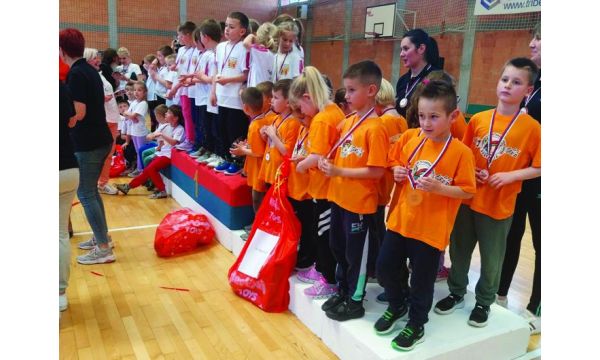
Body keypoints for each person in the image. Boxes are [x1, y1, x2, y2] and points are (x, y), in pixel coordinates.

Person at [434, 57, 541, 328]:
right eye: (504, 79)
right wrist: (474, 172)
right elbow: (465, 154)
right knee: (459, 251)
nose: (507, 86)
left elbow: (541, 166)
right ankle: (457, 292)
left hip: (499, 206)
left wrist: (510, 176)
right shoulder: (479, 119)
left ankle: (484, 301)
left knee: (493, 259)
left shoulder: (533, 128)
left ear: (528, 90)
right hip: (468, 199)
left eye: (516, 82)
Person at [375, 80, 476, 351]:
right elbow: (394, 160)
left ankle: (417, 323)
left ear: (453, 116)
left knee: (422, 282)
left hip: (430, 231)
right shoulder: (410, 138)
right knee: (384, 267)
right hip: (399, 221)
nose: (426, 123)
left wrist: (442, 188)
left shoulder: (461, 153)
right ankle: (397, 305)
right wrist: (395, 170)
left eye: (434, 117)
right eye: (421, 116)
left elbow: (467, 192)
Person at [316, 60, 388, 321]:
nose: (346, 96)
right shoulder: (348, 123)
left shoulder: (376, 128)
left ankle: (355, 300)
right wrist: (329, 164)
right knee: (338, 248)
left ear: (370, 90)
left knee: (355, 256)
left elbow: (376, 171)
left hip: (359, 205)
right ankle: (344, 291)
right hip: (339, 199)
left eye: (351, 90)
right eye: (346, 90)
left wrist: (339, 172)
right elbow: (342, 158)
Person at [496, 23, 542, 335]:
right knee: (510, 237)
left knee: (543, 244)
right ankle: (499, 296)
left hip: (540, 178)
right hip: (518, 180)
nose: (534, 43)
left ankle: (536, 307)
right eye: (535, 37)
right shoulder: (532, 85)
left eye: (542, 39)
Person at [59, 28, 115, 265]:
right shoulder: (89, 71)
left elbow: (78, 113)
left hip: (89, 142)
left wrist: (64, 120)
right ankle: (102, 238)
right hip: (98, 138)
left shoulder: (77, 74)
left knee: (86, 193)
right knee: (91, 192)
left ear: (62, 51)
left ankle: (103, 248)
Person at [290, 66, 344, 299]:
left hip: (325, 188)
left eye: (301, 107)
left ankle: (329, 279)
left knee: (324, 236)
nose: (302, 112)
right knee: (325, 235)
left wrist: (301, 165)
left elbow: (318, 156)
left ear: (307, 97)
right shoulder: (333, 112)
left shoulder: (322, 119)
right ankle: (325, 272)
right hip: (329, 185)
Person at [115, 105, 185, 199]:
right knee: (148, 169)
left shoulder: (180, 129)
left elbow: (173, 142)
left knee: (150, 168)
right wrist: (155, 136)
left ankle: (161, 190)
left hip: (169, 155)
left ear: (175, 118)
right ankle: (129, 186)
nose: (166, 114)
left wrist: (161, 135)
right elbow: (150, 136)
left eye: (168, 113)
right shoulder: (165, 126)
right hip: (162, 153)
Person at [211, 12, 250, 175]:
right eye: (226, 25)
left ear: (242, 31)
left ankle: (238, 161)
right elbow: (216, 71)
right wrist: (213, 92)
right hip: (221, 97)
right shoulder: (220, 47)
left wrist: (228, 80)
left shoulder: (245, 49)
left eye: (231, 27)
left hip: (236, 99)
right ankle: (227, 158)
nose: (227, 29)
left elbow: (246, 75)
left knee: (235, 131)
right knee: (222, 130)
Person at [83, 48, 121, 196]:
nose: (98, 60)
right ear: (87, 60)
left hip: (112, 118)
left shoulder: (99, 75)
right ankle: (98, 183)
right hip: (103, 119)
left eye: (98, 57)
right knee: (102, 154)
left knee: (108, 153)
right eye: (94, 58)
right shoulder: (88, 77)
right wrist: (100, 98)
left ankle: (101, 182)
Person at [230, 87, 270, 215]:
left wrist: (242, 150)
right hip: (260, 168)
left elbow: (258, 152)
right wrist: (246, 146)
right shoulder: (264, 119)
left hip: (258, 170)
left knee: (257, 199)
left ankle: (258, 226)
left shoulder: (255, 125)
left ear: (246, 108)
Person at [258, 79, 301, 185]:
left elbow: (288, 152)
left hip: (281, 174)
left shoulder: (293, 123)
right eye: (272, 96)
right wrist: (265, 135)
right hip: (270, 169)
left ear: (288, 102)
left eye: (276, 97)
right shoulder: (276, 118)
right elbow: (271, 144)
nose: (271, 100)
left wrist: (273, 135)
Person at [59, 81, 79, 311]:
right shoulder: (62, 86)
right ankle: (60, 293)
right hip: (68, 167)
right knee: (60, 234)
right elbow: (73, 119)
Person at [193, 19, 223, 167]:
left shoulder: (214, 54)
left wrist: (201, 77)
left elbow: (214, 78)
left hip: (212, 96)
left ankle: (216, 152)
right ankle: (209, 150)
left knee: (215, 128)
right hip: (207, 96)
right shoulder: (209, 53)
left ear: (205, 37)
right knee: (206, 126)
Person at [395, 29, 440, 117]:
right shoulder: (402, 80)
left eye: (406, 49)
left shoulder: (437, 78)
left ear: (421, 48)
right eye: (401, 49)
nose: (401, 54)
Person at [170, 21, 198, 152]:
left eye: (180, 36)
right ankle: (188, 138)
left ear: (188, 35)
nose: (179, 38)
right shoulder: (181, 50)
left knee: (192, 115)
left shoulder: (198, 49)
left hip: (192, 87)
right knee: (185, 113)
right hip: (182, 86)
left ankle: (192, 139)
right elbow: (179, 67)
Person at [123, 81, 150, 177]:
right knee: (137, 151)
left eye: (139, 90)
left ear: (145, 92)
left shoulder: (143, 104)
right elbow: (125, 114)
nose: (136, 92)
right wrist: (129, 115)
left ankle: (142, 170)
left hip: (140, 132)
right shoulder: (134, 102)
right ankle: (139, 169)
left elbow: (132, 115)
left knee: (141, 152)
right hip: (133, 131)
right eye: (135, 90)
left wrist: (129, 115)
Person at [243, 22, 277, 87]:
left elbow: (245, 43)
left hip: (257, 89)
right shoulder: (273, 53)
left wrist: (251, 35)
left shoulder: (261, 51)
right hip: (265, 88)